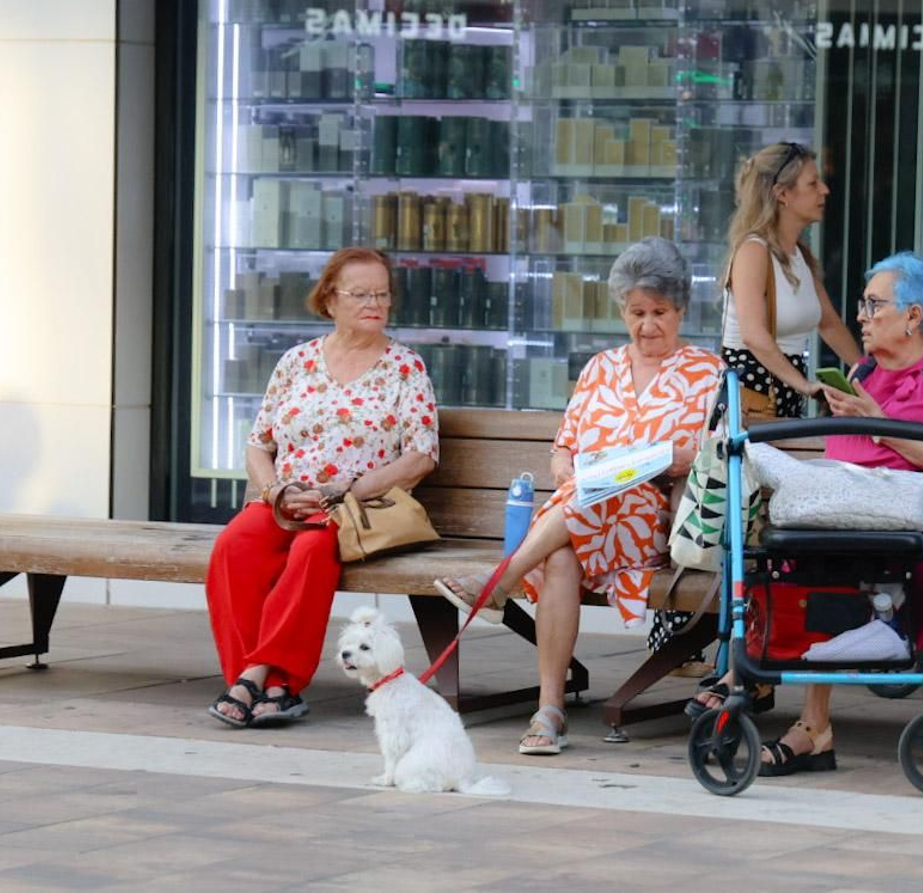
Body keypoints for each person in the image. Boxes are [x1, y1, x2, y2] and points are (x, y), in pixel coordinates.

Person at [433, 237, 724, 756]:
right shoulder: (600, 368)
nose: (648, 325)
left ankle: (502, 578)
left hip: (650, 516)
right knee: (564, 554)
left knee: (600, 499)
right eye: (637, 313)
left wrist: (636, 466)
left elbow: (695, 456)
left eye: (660, 312)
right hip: (584, 516)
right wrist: (570, 465)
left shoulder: (706, 372)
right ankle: (549, 712)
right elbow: (563, 448)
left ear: (681, 308)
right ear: (621, 310)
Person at [753, 251, 923, 775]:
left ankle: (791, 704)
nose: (861, 317)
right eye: (863, 305)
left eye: (873, 305)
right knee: (786, 550)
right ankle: (805, 718)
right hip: (846, 515)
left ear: (914, 315)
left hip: (922, 529)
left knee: (836, 556)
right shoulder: (861, 370)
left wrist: (880, 422)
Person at [206, 247, 439, 728]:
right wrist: (273, 491)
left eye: (382, 293)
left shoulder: (405, 367)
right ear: (330, 299)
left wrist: (348, 488)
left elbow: (421, 455)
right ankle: (267, 686)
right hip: (286, 500)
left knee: (311, 552)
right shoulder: (297, 362)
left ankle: (262, 679)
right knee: (234, 546)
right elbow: (257, 444)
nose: (374, 303)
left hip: (354, 508)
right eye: (361, 293)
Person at [721, 141, 861, 419]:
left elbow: (829, 323)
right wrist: (805, 385)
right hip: (751, 393)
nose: (824, 190)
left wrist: (867, 370)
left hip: (784, 392)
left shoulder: (800, 255)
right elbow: (753, 335)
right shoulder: (753, 251)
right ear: (783, 193)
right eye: (813, 183)